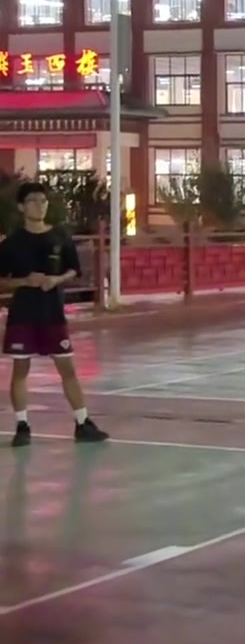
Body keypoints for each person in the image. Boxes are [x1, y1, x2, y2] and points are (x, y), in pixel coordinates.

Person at [0, 181, 108, 449]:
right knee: (20, 370)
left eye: (43, 201)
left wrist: (55, 279)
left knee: (67, 369)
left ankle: (83, 423)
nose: (40, 205)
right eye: (33, 201)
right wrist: (25, 281)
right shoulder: (12, 243)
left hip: (53, 313)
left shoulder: (60, 236)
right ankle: (22, 426)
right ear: (21, 207)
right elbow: (2, 280)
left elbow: (73, 270)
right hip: (23, 315)